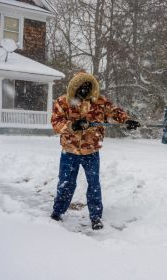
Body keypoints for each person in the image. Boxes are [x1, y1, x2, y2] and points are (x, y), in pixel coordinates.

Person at [50, 71, 140, 230]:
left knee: (94, 184)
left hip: (91, 151)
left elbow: (115, 111)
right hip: (69, 150)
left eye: (88, 86)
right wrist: (73, 125)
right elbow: (56, 123)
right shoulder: (63, 101)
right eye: (81, 86)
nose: (85, 90)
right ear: (74, 86)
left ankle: (96, 216)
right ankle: (57, 212)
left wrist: (127, 120)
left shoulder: (99, 102)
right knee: (66, 183)